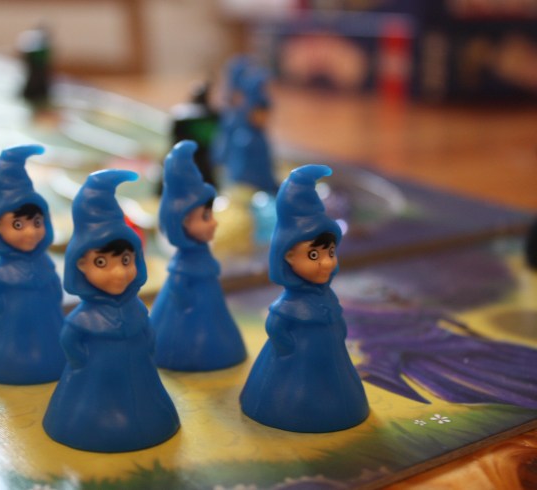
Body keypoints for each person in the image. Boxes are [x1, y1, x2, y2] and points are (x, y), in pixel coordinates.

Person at [43, 169, 180, 452]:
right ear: (80, 264)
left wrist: (147, 346)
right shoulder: (83, 319)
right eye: (102, 263)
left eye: (126, 260)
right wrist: (82, 363)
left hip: (141, 380)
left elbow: (147, 332)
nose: (119, 273)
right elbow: (70, 341)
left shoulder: (136, 309)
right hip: (93, 384)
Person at [240, 164, 369, 432]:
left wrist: (338, 333)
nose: (326, 262)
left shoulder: (327, 297)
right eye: (313, 255)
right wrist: (287, 348)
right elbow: (276, 326)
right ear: (288, 256)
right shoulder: (289, 306)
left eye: (330, 252)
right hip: (292, 370)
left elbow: (337, 322)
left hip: (332, 365)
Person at [0, 145, 66, 385]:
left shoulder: (45, 263)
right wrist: (2, 309)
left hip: (49, 331)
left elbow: (55, 288)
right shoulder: (1, 272)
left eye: (37, 222)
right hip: (7, 334)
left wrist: (54, 298)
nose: (31, 232)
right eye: (18, 225)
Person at [151, 140, 246, 371]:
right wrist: (185, 302)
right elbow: (178, 287)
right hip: (183, 324)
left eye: (210, 214)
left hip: (210, 308)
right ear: (182, 221)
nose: (214, 223)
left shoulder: (203, 254)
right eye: (205, 217)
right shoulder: (183, 265)